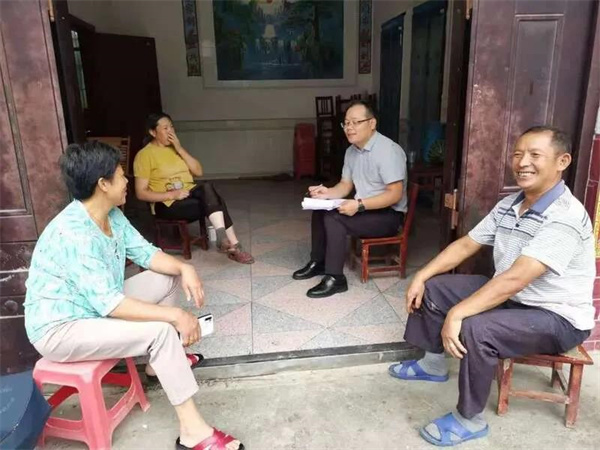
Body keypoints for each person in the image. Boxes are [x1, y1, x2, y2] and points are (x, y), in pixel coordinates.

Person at [24, 142, 243, 450]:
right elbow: (111, 305)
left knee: (168, 277)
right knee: (161, 331)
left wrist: (185, 268)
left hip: (93, 306)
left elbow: (147, 254)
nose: (127, 181)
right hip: (62, 328)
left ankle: (158, 364)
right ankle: (193, 432)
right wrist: (175, 316)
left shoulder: (111, 215)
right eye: (120, 175)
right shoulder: (73, 233)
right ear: (103, 184)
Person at [388, 126, 595, 446]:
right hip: (516, 298)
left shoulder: (564, 216)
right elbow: (467, 244)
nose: (522, 163)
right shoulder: (511, 204)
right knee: (435, 288)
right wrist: (421, 276)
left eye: (535, 155)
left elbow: (516, 279)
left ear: (562, 161)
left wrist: (457, 314)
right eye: (518, 154)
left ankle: (469, 419)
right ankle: (432, 364)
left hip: (556, 318)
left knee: (478, 328)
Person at [293, 100, 408, 298]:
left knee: (334, 219)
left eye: (355, 122)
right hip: (365, 208)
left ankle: (336, 278)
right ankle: (319, 262)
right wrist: (326, 193)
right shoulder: (351, 151)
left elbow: (394, 194)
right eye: (346, 123)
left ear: (372, 123)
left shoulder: (388, 150)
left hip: (388, 215)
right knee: (321, 209)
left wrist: (360, 205)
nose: (349, 127)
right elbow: (345, 185)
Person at [134, 112, 254, 264]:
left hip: (188, 194)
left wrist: (179, 148)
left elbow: (198, 171)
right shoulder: (144, 155)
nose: (170, 131)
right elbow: (141, 193)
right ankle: (234, 246)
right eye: (165, 128)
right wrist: (171, 195)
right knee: (216, 202)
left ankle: (223, 237)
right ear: (153, 132)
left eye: (172, 127)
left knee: (207, 188)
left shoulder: (175, 149)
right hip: (167, 204)